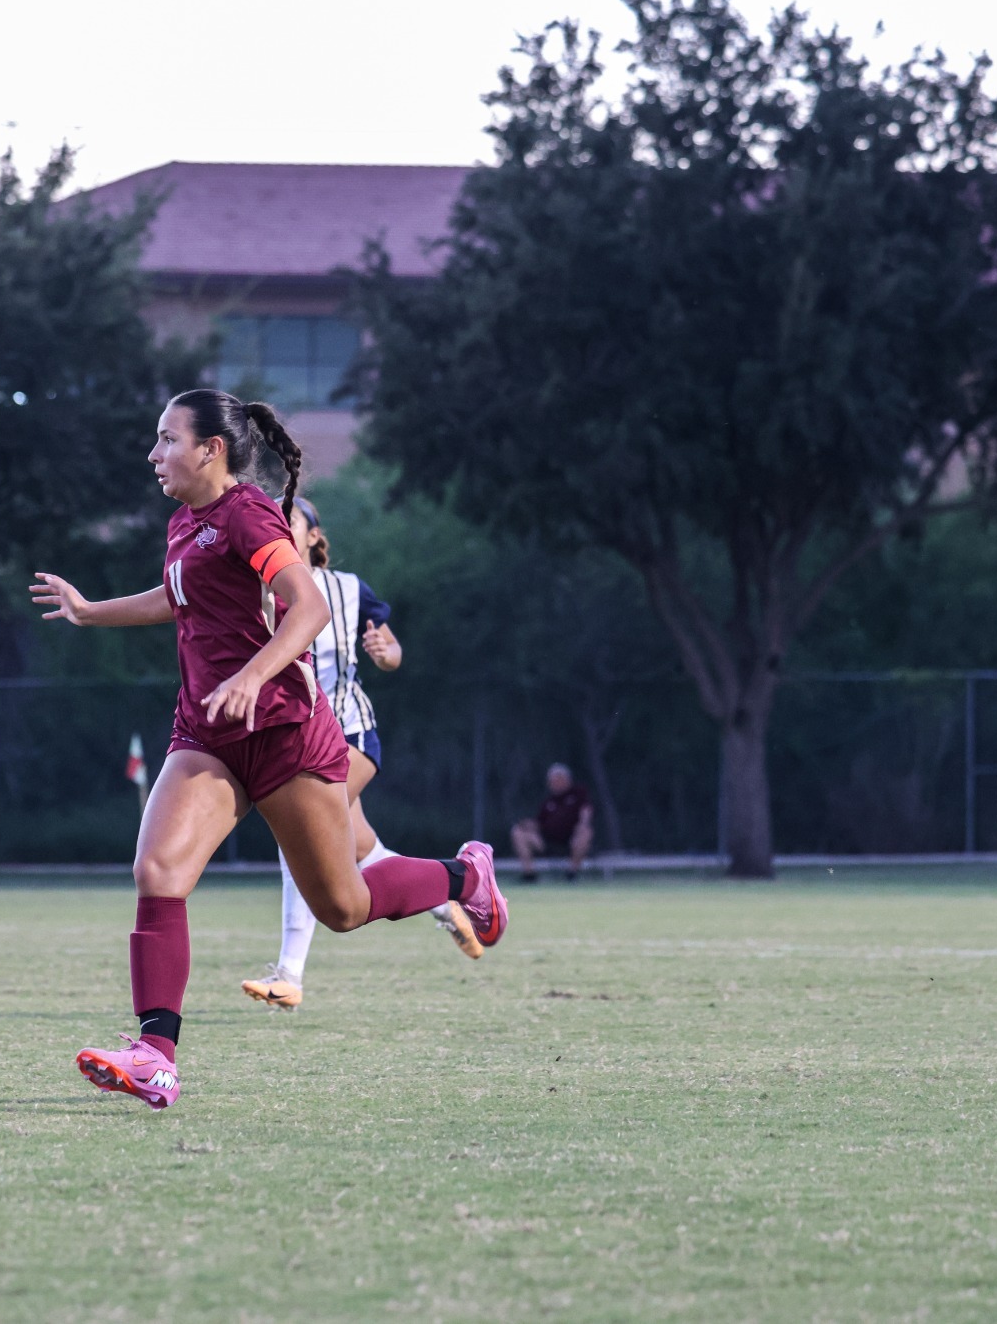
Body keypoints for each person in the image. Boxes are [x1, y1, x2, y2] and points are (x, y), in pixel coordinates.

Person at [30, 389, 507, 1110]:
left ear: (210, 449)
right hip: (207, 731)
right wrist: (93, 611)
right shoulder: (185, 524)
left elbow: (308, 606)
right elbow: (177, 594)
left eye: (165, 439)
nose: (153, 453)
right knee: (157, 869)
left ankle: (463, 875)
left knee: (344, 906)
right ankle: (155, 1055)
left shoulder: (249, 511)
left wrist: (253, 676)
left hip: (284, 731)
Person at [241, 497, 482, 1012]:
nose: (279, 528)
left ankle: (289, 974)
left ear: (311, 537)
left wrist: (386, 655)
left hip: (349, 733)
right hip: (297, 740)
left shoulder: (347, 590)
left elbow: (391, 649)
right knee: (357, 849)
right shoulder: (257, 589)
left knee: (301, 833)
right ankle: (443, 896)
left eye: (292, 522)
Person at [512, 763, 595, 882]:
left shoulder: (578, 793)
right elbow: (539, 823)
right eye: (551, 781)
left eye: (556, 780)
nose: (553, 784)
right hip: (548, 841)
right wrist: (527, 825)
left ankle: (572, 874)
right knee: (517, 832)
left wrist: (583, 824)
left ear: (566, 779)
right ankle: (529, 874)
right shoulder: (548, 801)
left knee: (586, 832)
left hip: (572, 839)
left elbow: (586, 810)